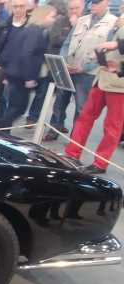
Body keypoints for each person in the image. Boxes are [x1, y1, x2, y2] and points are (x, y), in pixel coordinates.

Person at [45, 0, 116, 138]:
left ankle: (75, 139)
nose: (93, 5)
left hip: (88, 74)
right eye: (92, 2)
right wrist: (64, 61)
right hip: (69, 69)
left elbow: (107, 54)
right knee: (59, 102)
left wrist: (84, 68)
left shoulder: (112, 23)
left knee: (81, 108)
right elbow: (67, 43)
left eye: (97, 2)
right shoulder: (82, 20)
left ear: (106, 3)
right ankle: (54, 130)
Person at [65, 17, 124, 173]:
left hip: (119, 86)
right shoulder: (118, 22)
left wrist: (117, 49)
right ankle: (72, 153)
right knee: (85, 117)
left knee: (112, 126)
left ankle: (100, 163)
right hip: (102, 78)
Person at [0, 5, 55, 129]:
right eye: (52, 16)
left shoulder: (31, 30)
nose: (54, 19)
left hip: (16, 74)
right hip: (20, 76)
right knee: (18, 108)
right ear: (43, 16)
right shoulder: (35, 32)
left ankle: (1, 129)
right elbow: (27, 54)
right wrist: (29, 78)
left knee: (16, 107)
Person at [25, 0, 70, 124]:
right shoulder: (42, 26)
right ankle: (31, 117)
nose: (54, 19)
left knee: (43, 92)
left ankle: (33, 117)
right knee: (37, 91)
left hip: (53, 62)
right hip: (44, 61)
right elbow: (54, 39)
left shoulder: (68, 21)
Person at [0, 0, 28, 125]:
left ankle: (5, 127)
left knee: (13, 102)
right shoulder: (3, 25)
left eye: (21, 6)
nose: (18, 9)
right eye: (15, 7)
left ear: (26, 7)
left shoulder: (31, 27)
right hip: (1, 68)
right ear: (11, 8)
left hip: (19, 71)